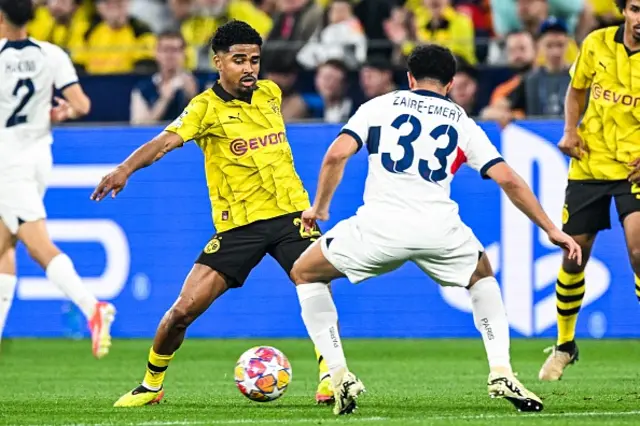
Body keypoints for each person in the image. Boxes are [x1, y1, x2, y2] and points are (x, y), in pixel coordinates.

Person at [288, 44, 582, 415]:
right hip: (439, 228)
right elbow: (507, 178)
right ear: (451, 83)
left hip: (379, 227)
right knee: (481, 274)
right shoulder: (461, 121)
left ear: (409, 78)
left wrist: (320, 207)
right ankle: (501, 370)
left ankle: (339, 373)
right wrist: (551, 228)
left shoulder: (377, 106)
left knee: (305, 273)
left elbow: (335, 154)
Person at [91, 20, 335, 407]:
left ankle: (331, 375)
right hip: (239, 226)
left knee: (314, 286)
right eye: (239, 60)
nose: (249, 68)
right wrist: (125, 169)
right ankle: (151, 385)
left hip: (291, 216)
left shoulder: (270, 94)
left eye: (254, 59)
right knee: (183, 311)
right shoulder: (204, 107)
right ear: (218, 62)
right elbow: (164, 142)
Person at [0, 0, 115, 357]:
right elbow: (80, 105)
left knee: (37, 244)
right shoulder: (52, 54)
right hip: (38, 158)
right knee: (3, 246)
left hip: (8, 161)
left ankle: (91, 307)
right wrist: (59, 112)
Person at [539, 0, 640, 381]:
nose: (639, 18)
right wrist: (569, 130)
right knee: (574, 255)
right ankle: (565, 345)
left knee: (638, 251)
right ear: (624, 10)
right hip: (590, 163)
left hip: (634, 169)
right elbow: (576, 91)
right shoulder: (596, 43)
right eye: (635, 9)